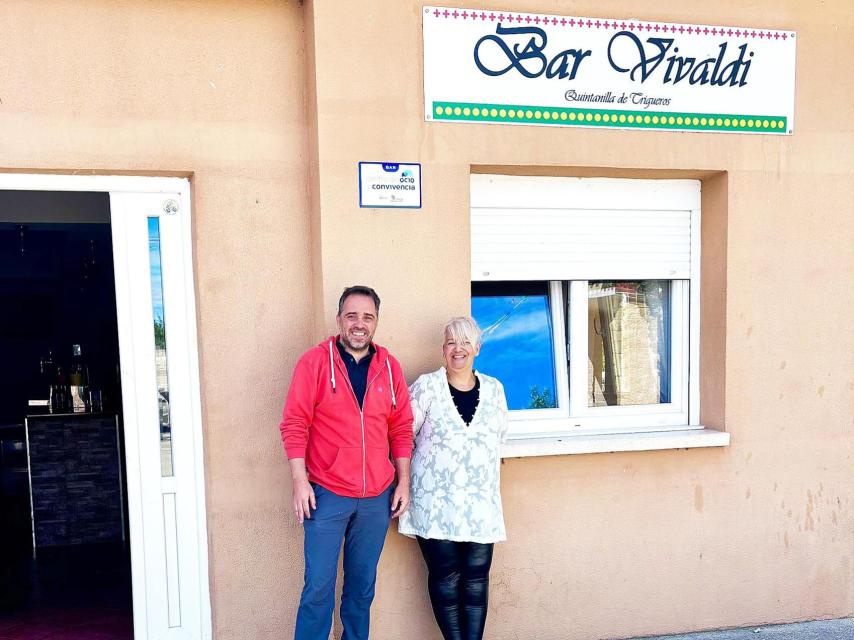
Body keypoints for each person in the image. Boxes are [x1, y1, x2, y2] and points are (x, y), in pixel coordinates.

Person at [279, 285, 413, 640]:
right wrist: (299, 480)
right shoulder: (315, 362)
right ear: (339, 319)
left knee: (361, 591)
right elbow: (294, 423)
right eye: (352, 315)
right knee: (318, 589)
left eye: (367, 317)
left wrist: (403, 482)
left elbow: (401, 428)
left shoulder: (390, 367)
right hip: (327, 494)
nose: (359, 324)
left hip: (376, 498)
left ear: (376, 322)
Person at [398, 316, 509, 640]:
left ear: (477, 348)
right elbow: (402, 433)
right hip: (436, 502)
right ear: (443, 349)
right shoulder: (426, 387)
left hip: (479, 503)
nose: (457, 349)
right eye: (450, 342)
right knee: (446, 579)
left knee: (476, 581)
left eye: (464, 342)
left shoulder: (495, 390)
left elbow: (499, 436)